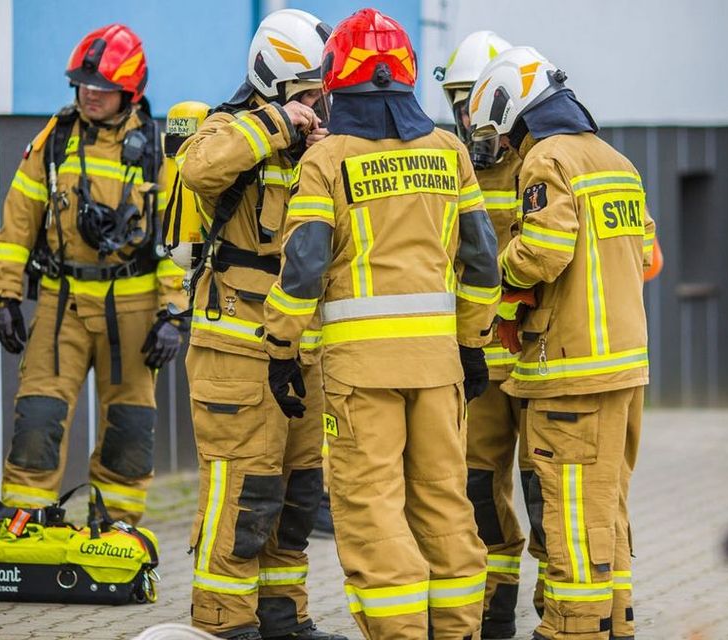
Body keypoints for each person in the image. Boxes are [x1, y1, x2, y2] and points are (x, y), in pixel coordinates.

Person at [261, 8, 499, 639]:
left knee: (373, 512)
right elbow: (482, 258)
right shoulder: (448, 150)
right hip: (439, 368)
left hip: (360, 376)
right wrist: (473, 344)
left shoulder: (328, 159)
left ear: (337, 77)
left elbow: (304, 266)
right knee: (446, 506)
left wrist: (280, 348)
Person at [469, 47, 655, 640]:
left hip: (570, 371)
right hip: (625, 369)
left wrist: (494, 277)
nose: (502, 143)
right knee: (607, 507)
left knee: (570, 510)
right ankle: (613, 622)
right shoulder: (616, 161)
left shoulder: (547, 159)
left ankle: (573, 629)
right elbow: (647, 255)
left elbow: (544, 252)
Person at [175, 9, 343, 640]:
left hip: (303, 348)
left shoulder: (322, 143)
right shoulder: (230, 127)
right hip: (235, 347)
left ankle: (283, 616)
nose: (317, 102)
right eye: (306, 92)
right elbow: (198, 169)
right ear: (273, 83)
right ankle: (224, 617)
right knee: (243, 490)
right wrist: (275, 125)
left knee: (298, 494)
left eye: (319, 91)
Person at [0, 24, 186, 525]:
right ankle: (24, 521)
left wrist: (175, 314)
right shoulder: (54, 141)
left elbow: (177, 241)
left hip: (135, 311)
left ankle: (117, 529)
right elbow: (17, 222)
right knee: (38, 416)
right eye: (84, 85)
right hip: (63, 304)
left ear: (131, 90)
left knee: (129, 426)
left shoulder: (158, 151)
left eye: (102, 87)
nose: (90, 94)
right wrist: (4, 296)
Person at [437, 29, 533, 638]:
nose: (466, 114)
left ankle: (572, 613)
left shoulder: (539, 162)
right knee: (476, 488)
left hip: (541, 361)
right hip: (478, 361)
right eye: (456, 99)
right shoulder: (448, 165)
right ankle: (495, 608)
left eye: (474, 98)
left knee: (552, 491)